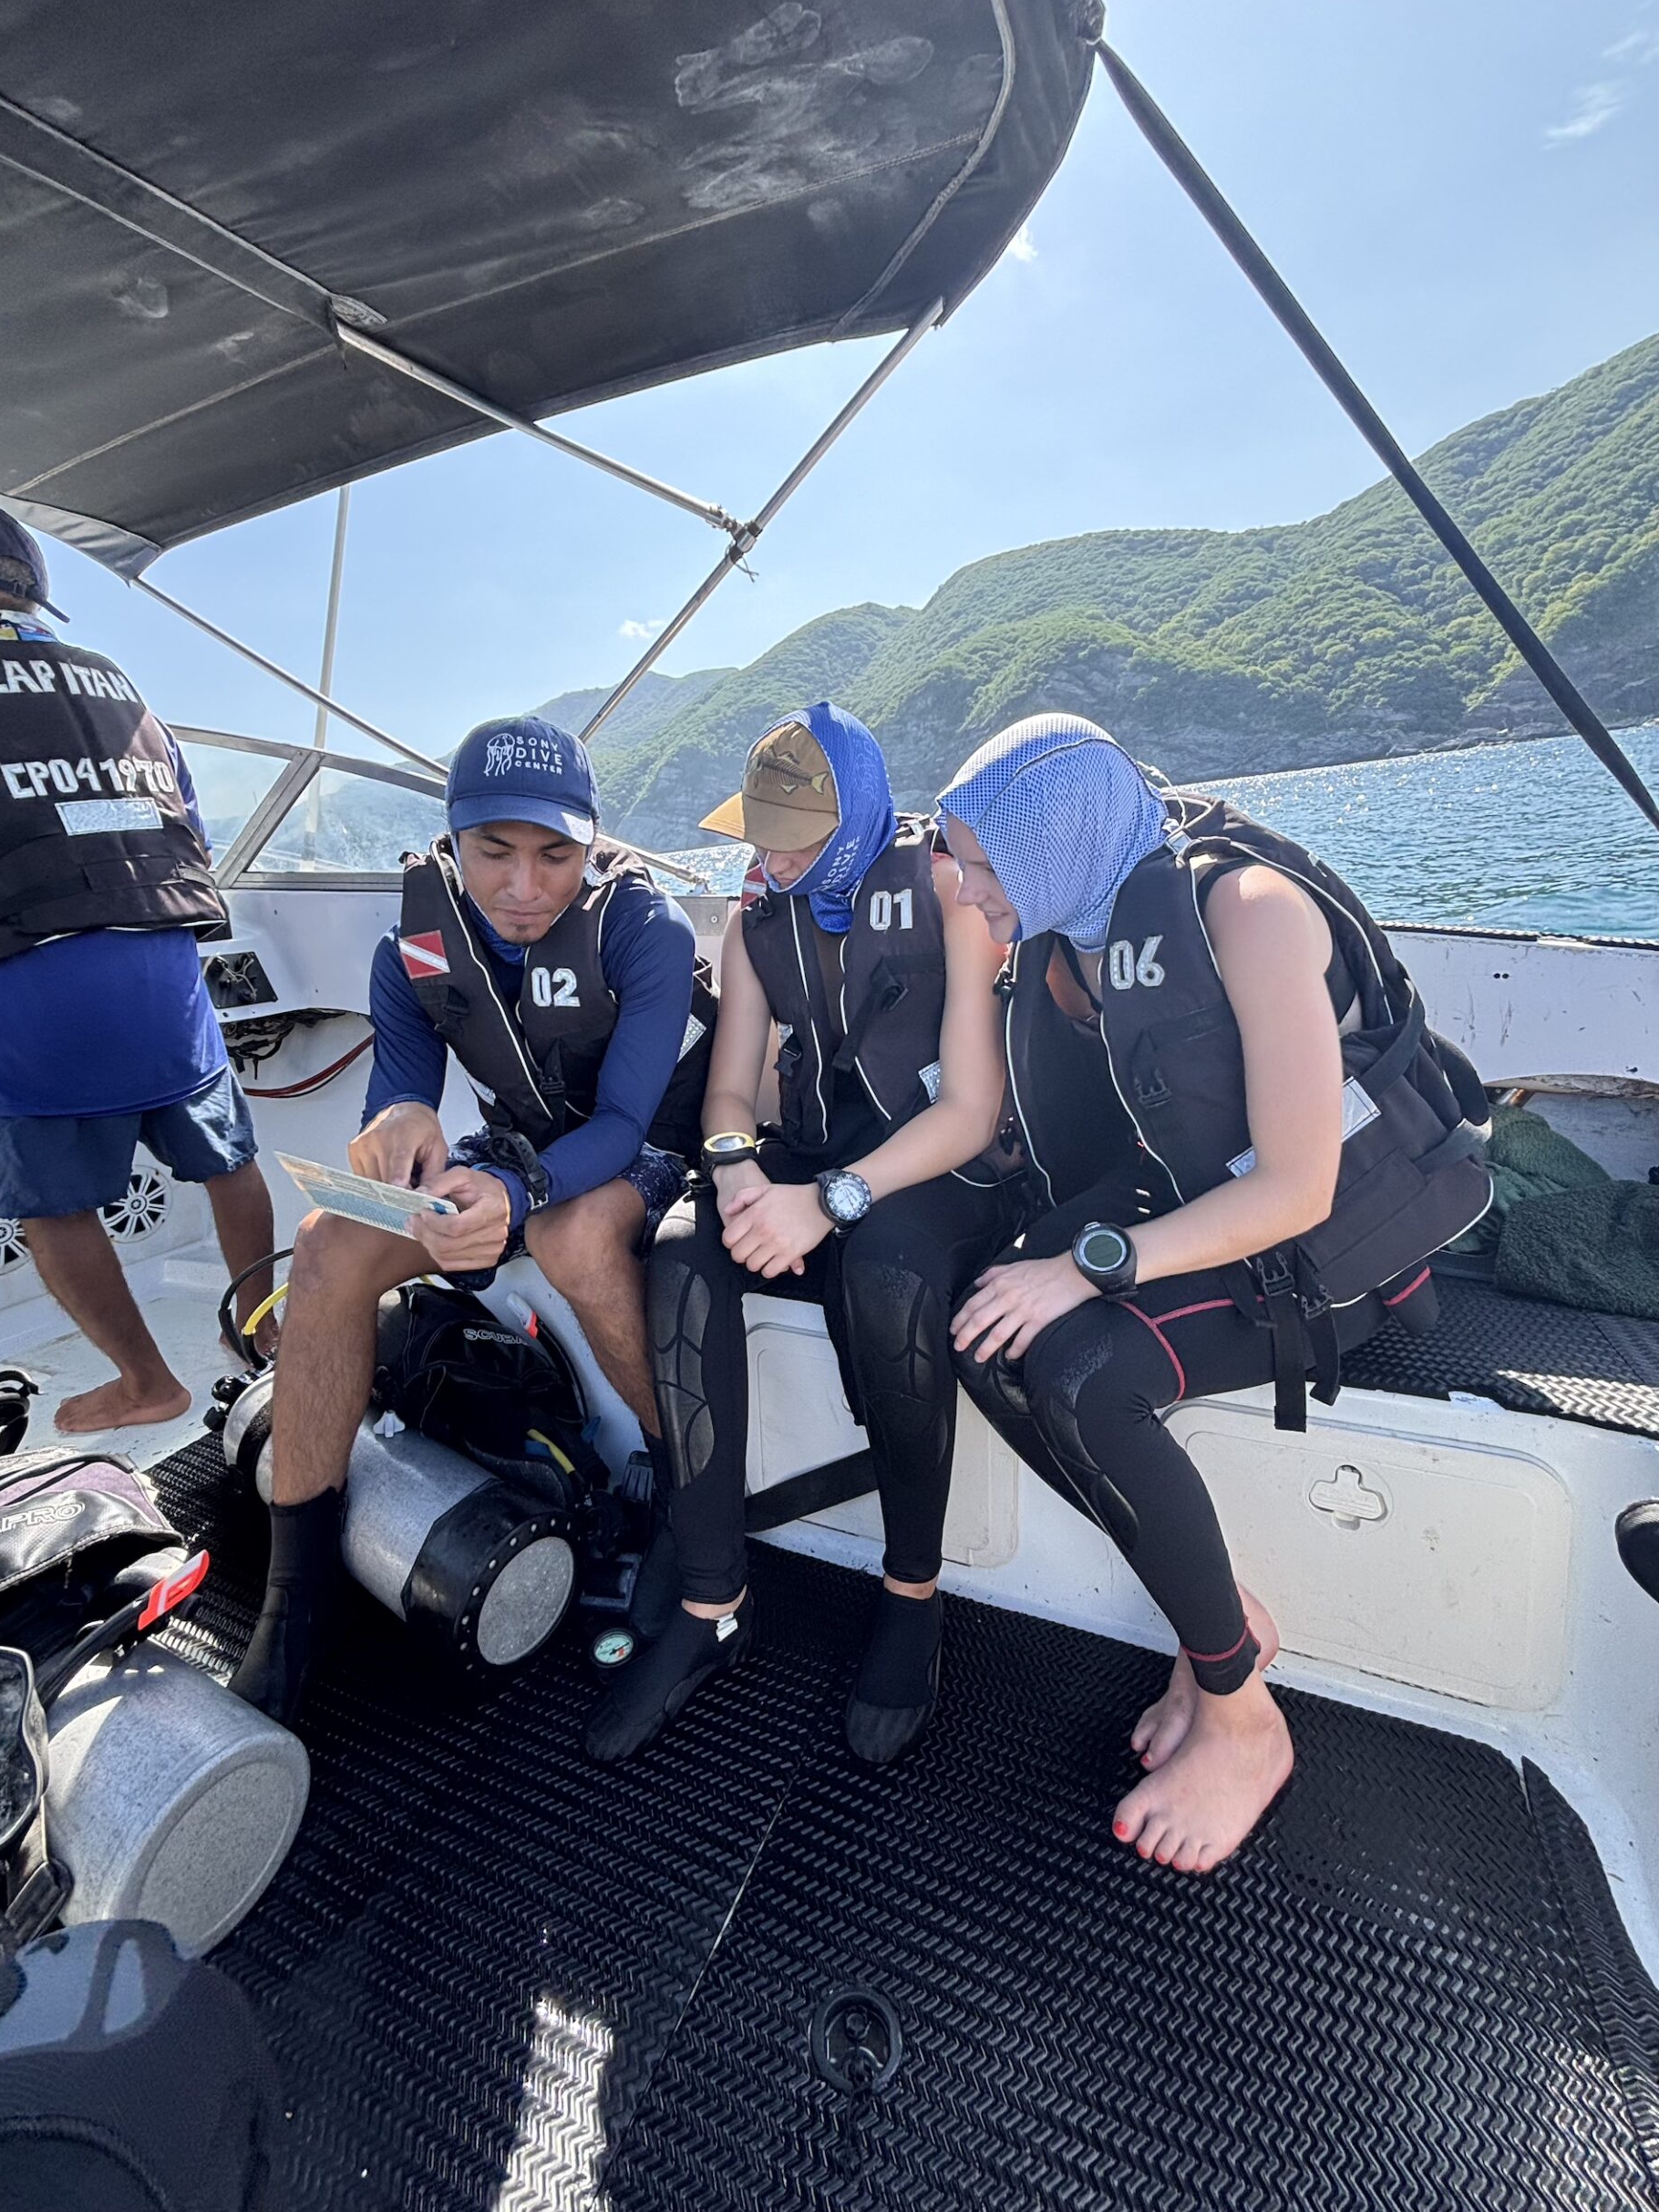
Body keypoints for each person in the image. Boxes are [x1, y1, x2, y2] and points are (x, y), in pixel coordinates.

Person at [938, 714, 1490, 1874]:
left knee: (1083, 1374)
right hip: (1218, 1217)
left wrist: (1089, 1265)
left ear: (1061, 839)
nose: (967, 892)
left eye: (984, 865)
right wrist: (1053, 1249)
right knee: (986, 1321)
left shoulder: (1247, 911)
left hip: (1336, 1253)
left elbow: (1296, 1186)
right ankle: (1223, 1623)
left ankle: (1241, 1710)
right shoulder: (1081, 932)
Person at [231, 715, 716, 1724]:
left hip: (649, 1140)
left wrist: (512, 1196)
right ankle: (298, 1589)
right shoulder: (411, 946)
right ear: (453, 838)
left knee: (569, 1235)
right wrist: (399, 1134)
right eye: (495, 850)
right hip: (525, 1147)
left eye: (556, 854)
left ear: (593, 844)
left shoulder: (646, 926)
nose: (525, 885)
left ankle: (687, 1494)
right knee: (326, 1240)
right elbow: (400, 1105)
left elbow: (626, 1120)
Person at [586, 702, 1021, 1766]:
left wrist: (826, 1204)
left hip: (938, 1163)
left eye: (799, 839)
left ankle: (911, 1592)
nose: (774, 861)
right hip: (814, 1153)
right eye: (761, 837)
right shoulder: (754, 922)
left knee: (889, 1273)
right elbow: (731, 1086)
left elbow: (972, 1107)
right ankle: (711, 1598)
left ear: (863, 813)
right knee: (685, 1252)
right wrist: (736, 1173)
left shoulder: (942, 897)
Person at [0, 491, 276, 1433]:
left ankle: (148, 1381)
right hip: (163, 971)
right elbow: (184, 820)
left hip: (36, 981)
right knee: (226, 1159)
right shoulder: (115, 679)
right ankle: (262, 1334)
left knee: (49, 1206)